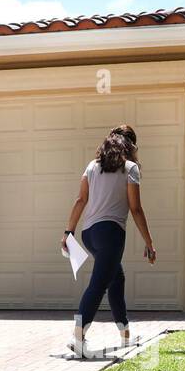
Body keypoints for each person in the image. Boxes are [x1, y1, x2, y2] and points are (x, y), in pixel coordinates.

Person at [62, 124, 156, 356]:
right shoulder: (130, 168)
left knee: (116, 278)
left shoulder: (93, 166)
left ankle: (125, 336)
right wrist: (149, 242)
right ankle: (78, 337)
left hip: (90, 234)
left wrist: (69, 232)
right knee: (99, 284)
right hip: (111, 233)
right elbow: (135, 208)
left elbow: (80, 200)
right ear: (131, 145)